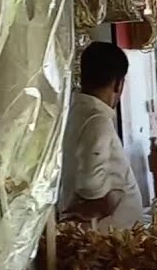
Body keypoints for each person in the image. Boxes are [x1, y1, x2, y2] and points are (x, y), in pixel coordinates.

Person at [59, 41, 144, 229]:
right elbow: (90, 187)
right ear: (118, 84)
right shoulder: (97, 121)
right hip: (111, 239)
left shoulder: (73, 114)